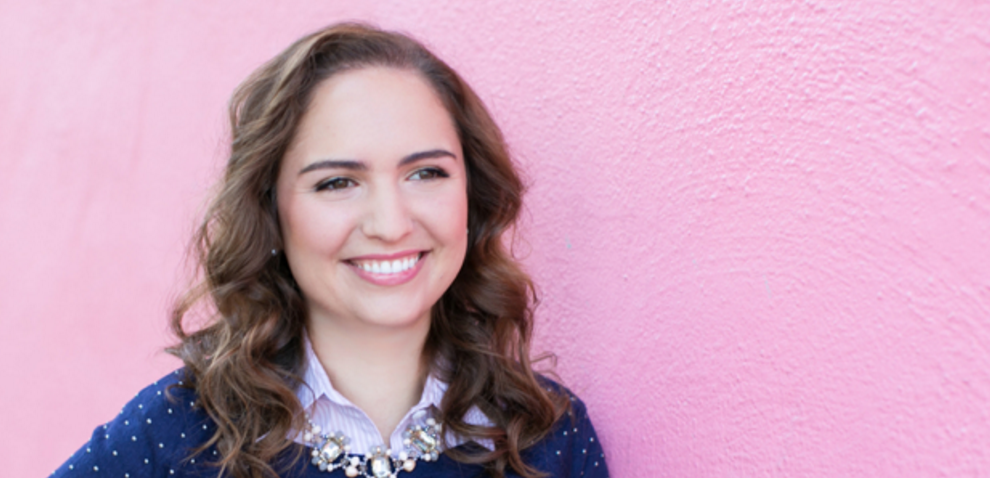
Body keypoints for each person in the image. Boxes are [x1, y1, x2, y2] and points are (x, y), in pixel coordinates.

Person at [53, 23, 607, 478]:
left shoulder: (550, 437)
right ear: (270, 212)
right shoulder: (177, 433)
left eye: (426, 173)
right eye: (337, 182)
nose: (391, 225)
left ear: (473, 195)